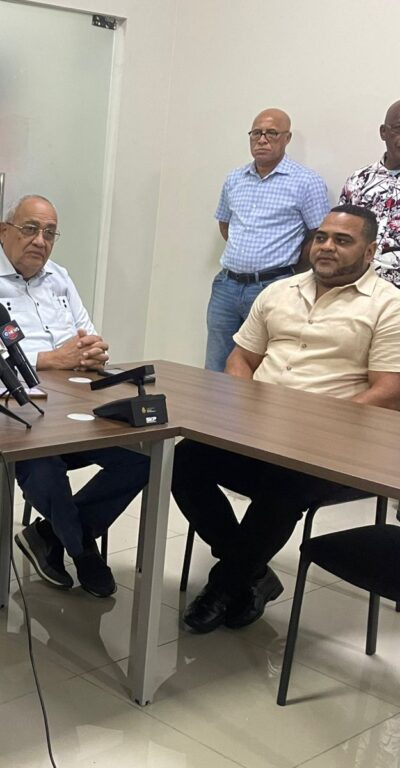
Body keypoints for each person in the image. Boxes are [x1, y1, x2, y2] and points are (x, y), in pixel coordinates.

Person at [174, 204, 400, 633]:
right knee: (184, 458)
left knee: (284, 483)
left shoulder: (389, 306)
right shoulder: (280, 292)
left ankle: (224, 586)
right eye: (321, 237)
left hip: (334, 449)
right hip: (260, 433)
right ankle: (253, 574)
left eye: (342, 240)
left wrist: (317, 428)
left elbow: (389, 393)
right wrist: (245, 406)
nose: (327, 247)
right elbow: (241, 358)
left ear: (370, 251)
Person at [0, 194, 149, 598]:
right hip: (7, 411)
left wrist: (93, 351)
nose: (40, 241)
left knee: (141, 457)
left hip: (73, 404)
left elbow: (86, 334)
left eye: (50, 233)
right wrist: (53, 359)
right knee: (43, 462)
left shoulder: (59, 277)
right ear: (4, 231)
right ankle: (82, 550)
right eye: (30, 229)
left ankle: (50, 536)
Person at [207, 108, 330, 372]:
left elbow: (318, 235)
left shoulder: (306, 182)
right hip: (227, 285)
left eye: (271, 133)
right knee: (216, 364)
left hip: (273, 286)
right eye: (256, 133)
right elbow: (225, 224)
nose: (262, 140)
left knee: (264, 367)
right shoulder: (235, 178)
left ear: (287, 138)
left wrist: (289, 270)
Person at [339, 100, 400, 287]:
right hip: (359, 288)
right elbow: (341, 234)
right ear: (383, 132)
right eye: (399, 129)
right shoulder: (359, 180)